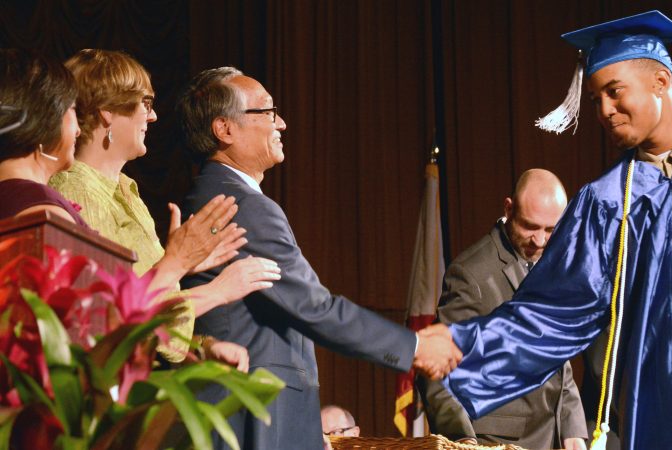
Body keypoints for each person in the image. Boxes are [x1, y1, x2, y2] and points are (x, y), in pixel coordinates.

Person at [441, 10, 672, 450]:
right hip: (668, 423)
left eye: (614, 93)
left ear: (660, 82)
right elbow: (549, 315)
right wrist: (451, 349)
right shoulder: (606, 204)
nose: (604, 111)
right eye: (595, 100)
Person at [176, 66, 462, 450]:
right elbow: (314, 307)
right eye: (267, 111)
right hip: (253, 418)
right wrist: (414, 347)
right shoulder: (240, 205)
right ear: (224, 129)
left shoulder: (221, 196)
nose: (282, 123)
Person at [0, 48, 245, 364]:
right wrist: (177, 263)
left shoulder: (32, 202)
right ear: (43, 118)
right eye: (72, 111)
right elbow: (98, 328)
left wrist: (197, 343)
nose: (78, 127)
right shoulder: (43, 210)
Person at [48, 49, 283, 367]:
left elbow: (149, 313)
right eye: (145, 104)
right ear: (107, 113)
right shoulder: (77, 191)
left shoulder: (126, 190)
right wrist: (213, 288)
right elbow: (107, 318)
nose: (153, 116)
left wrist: (200, 346)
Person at [422, 168, 587, 450]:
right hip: (494, 443)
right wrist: (463, 440)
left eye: (551, 229)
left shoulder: (555, 262)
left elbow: (559, 359)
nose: (540, 240)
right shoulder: (471, 274)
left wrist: (572, 429)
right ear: (508, 209)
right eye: (530, 227)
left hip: (552, 438)